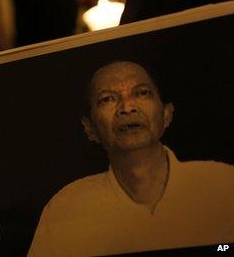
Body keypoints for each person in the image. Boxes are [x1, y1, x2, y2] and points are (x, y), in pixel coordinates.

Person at [28, 61, 234, 256]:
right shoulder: (65, 208)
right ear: (89, 128)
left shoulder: (224, 182)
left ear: (166, 114)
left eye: (142, 93)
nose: (127, 108)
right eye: (108, 98)